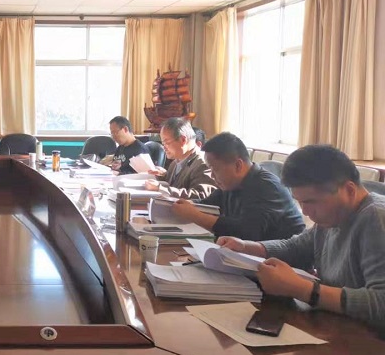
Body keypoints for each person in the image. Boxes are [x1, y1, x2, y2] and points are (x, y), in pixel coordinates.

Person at [218, 145, 385, 332]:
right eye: (300, 202)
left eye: (310, 202)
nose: (305, 211)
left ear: (349, 190)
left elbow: (381, 302)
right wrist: (246, 247)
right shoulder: (333, 216)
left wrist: (302, 289)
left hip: (369, 343)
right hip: (337, 326)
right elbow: (296, 247)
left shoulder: (377, 218)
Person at [170, 132, 304, 240]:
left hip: (282, 260)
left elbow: (247, 232)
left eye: (215, 169)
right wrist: (181, 204)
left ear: (238, 165)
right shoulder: (230, 184)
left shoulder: (267, 187)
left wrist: (195, 216)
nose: (211, 175)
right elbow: (206, 205)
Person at [145, 117, 216, 200]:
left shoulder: (204, 163)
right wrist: (162, 176)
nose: (164, 148)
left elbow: (200, 196)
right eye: (162, 143)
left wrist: (161, 188)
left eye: (166, 143)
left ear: (183, 140)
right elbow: (176, 184)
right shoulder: (176, 161)